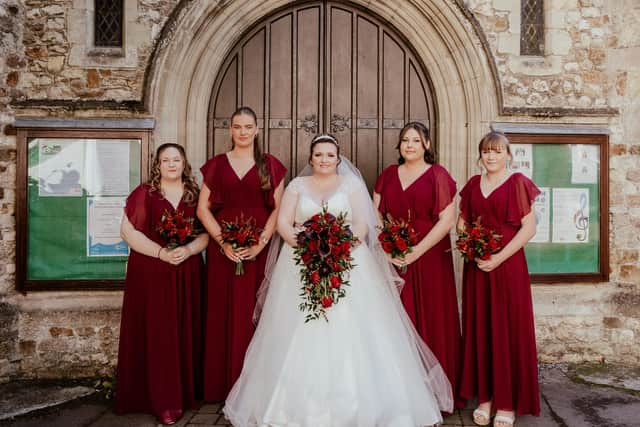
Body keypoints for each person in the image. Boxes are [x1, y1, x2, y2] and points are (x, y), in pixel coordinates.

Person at [224, 134, 453, 427]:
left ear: (338, 158)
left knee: (354, 328)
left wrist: (337, 245)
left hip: (348, 261)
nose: (323, 160)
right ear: (311, 158)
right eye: (318, 155)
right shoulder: (296, 186)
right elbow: (283, 222)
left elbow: (361, 222)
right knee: (298, 327)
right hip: (301, 263)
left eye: (329, 155)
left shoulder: (352, 185)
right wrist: (306, 245)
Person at [197, 106, 287, 401]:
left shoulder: (270, 165)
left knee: (255, 314)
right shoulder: (217, 165)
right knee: (223, 312)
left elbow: (278, 209)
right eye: (237, 126)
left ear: (257, 129)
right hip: (224, 251)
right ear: (231, 130)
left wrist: (260, 242)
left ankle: (256, 388)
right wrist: (222, 242)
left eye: (248, 126)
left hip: (258, 251)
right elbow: (203, 209)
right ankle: (221, 385)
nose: (243, 132)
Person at [373, 121, 464, 411]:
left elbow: (447, 221)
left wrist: (415, 252)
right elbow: (375, 214)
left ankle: (436, 393)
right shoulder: (388, 175)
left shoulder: (438, 175)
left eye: (415, 140)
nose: (409, 145)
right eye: (404, 140)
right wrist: (387, 248)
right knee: (398, 321)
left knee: (433, 319)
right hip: (394, 257)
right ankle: (401, 392)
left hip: (431, 257)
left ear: (426, 144)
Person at [116, 143, 208, 425]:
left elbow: (206, 234)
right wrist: (161, 253)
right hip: (152, 272)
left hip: (187, 270)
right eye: (165, 160)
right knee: (158, 333)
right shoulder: (145, 194)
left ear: (184, 163)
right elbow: (127, 232)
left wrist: (190, 250)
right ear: (157, 164)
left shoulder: (195, 194)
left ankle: (183, 394)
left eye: (176, 159)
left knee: (184, 329)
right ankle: (160, 399)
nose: (171, 164)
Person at [457, 132, 541, 427]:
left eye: (496, 151)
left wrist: (498, 257)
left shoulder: (518, 183)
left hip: (507, 268)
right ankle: (486, 399)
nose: (491, 156)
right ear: (480, 155)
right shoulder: (471, 186)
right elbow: (462, 222)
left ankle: (507, 402)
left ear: (508, 155)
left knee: (507, 330)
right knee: (481, 329)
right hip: (477, 267)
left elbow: (528, 229)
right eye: (486, 151)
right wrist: (470, 245)